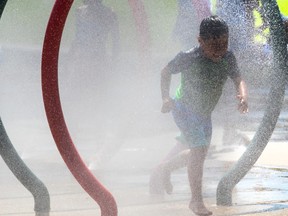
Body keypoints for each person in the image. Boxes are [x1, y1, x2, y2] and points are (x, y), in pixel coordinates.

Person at [150, 16, 248, 216]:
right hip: (184, 108)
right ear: (200, 41)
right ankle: (196, 201)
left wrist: (243, 95)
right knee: (199, 150)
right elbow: (165, 72)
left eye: (224, 43)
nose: (219, 49)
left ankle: (163, 169)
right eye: (213, 45)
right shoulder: (189, 57)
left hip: (203, 113)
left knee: (199, 153)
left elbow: (238, 78)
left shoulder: (228, 57)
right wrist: (165, 98)